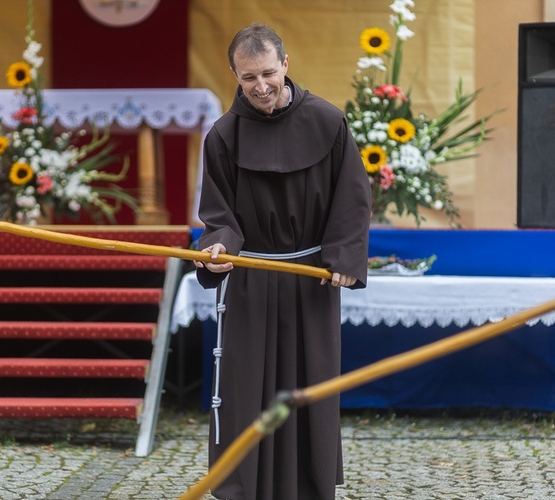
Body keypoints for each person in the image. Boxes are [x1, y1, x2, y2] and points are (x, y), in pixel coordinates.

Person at [193, 22, 371, 500]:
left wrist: (342, 256)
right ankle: (245, 491)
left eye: (268, 73)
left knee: (310, 387)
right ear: (235, 74)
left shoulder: (329, 122)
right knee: (246, 391)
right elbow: (218, 213)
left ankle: (310, 490)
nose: (261, 86)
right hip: (250, 279)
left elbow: (352, 199)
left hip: (310, 277)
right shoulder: (223, 136)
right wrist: (217, 249)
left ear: (286, 65)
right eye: (248, 77)